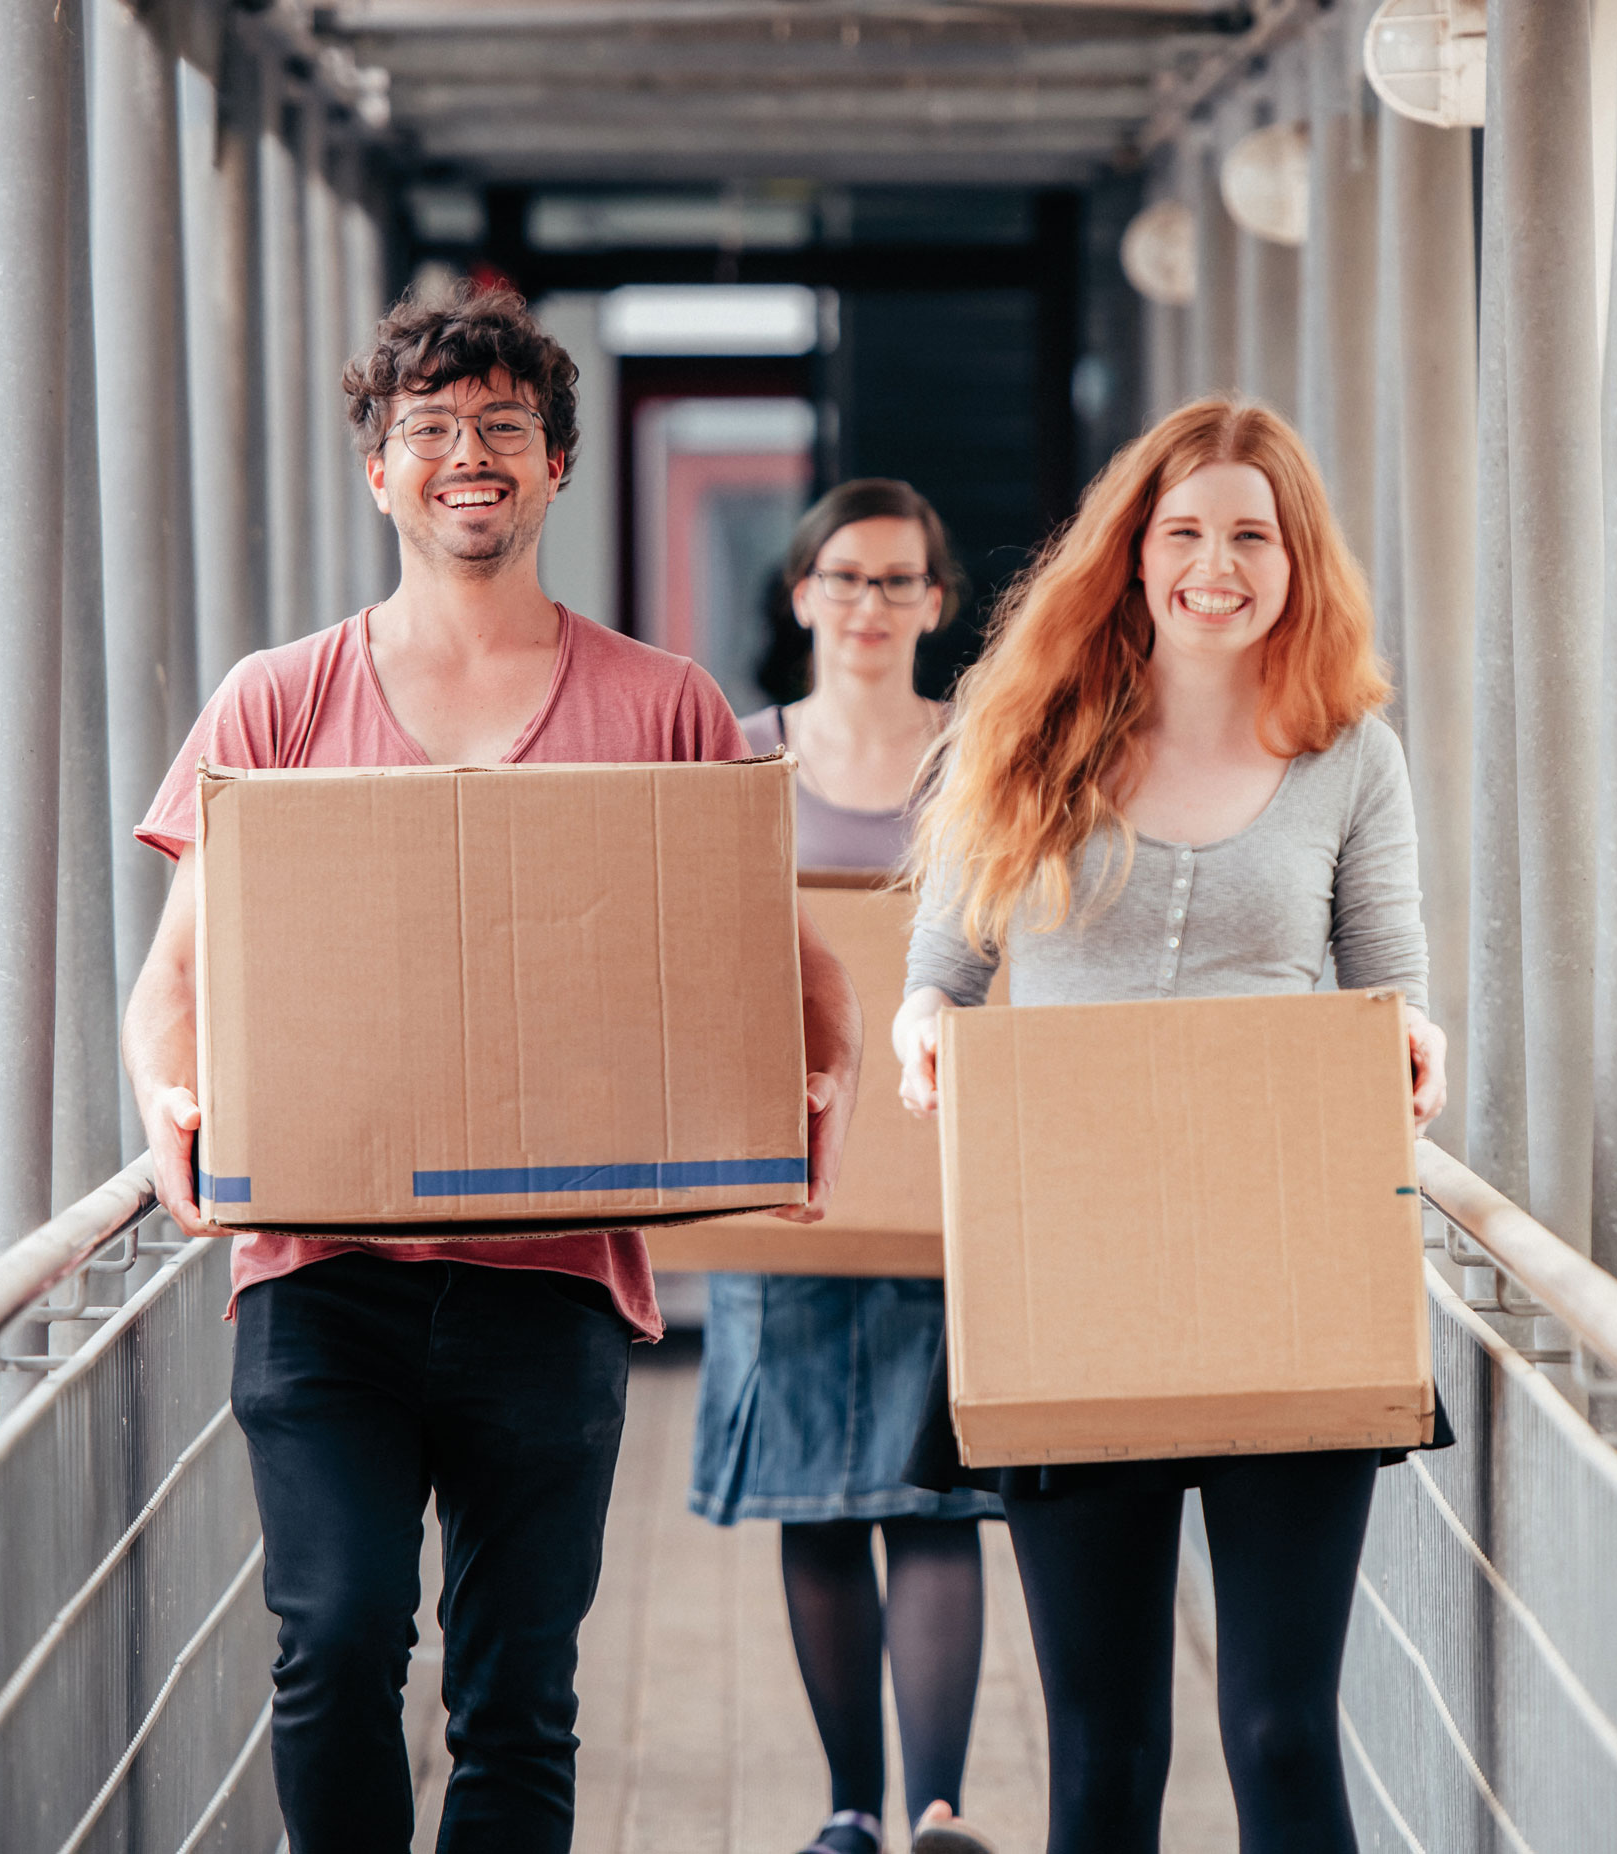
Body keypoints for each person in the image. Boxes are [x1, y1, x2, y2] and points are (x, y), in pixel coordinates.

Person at [122, 282, 862, 1853]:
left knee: (518, 1688)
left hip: (553, 1280)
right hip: (322, 1270)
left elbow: (794, 970)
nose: (469, 452)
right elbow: (173, 982)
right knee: (333, 1641)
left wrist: (817, 1094)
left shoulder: (661, 706)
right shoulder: (277, 701)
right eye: (431, 428)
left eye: (504, 427)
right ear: (377, 470)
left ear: (557, 466)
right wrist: (169, 1103)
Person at [888, 399, 1452, 1853]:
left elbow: (1389, 987)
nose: (1216, 566)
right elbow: (941, 975)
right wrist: (924, 1036)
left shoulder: (1351, 756)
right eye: (1184, 532)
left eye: (1251, 536)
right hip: (1069, 1268)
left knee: (1280, 1728)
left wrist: (1415, 1047)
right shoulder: (1023, 734)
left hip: (1290, 1265)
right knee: (1105, 1743)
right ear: (1132, 554)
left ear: (1296, 559)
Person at [689, 481, 1000, 1854]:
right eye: (845, 576)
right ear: (801, 593)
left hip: (940, 1171)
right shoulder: (742, 756)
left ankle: (934, 1811)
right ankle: (850, 1811)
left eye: (897, 580)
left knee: (935, 1496)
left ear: (936, 603)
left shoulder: (984, 758)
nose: (869, 603)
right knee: (814, 1501)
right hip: (792, 1178)